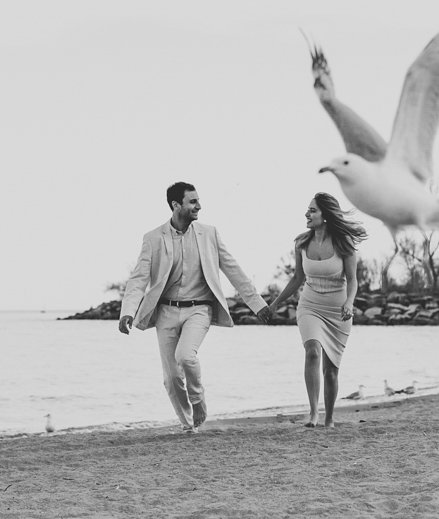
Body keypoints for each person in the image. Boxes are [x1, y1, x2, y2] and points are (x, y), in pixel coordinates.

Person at [119, 182, 267, 433]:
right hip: (165, 311)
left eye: (198, 200)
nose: (199, 205)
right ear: (176, 205)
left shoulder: (209, 233)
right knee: (172, 377)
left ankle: (198, 400)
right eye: (193, 201)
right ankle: (189, 426)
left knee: (185, 356)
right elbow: (139, 279)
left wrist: (257, 303)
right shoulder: (153, 238)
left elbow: (232, 268)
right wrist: (127, 312)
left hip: (199, 309)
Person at [259, 193, 366, 428]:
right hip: (309, 305)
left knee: (331, 370)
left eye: (312, 210)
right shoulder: (301, 243)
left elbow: (353, 280)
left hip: (338, 310)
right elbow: (297, 278)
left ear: (325, 216)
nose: (307, 214)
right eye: (308, 210)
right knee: (312, 352)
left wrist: (349, 302)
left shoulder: (343, 243)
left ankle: (329, 418)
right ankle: (313, 413)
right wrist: (274, 304)